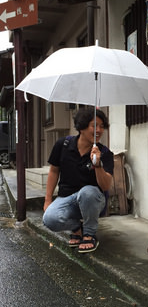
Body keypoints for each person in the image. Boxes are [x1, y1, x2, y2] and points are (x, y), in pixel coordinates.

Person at [43, 107, 114, 253]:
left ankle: (89, 234)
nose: (99, 130)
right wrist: (48, 199)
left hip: (93, 201)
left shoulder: (104, 153)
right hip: (67, 198)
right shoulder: (63, 145)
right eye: (94, 125)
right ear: (81, 127)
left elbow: (106, 186)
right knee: (49, 219)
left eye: (102, 126)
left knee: (87, 192)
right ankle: (77, 228)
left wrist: (97, 164)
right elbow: (54, 171)